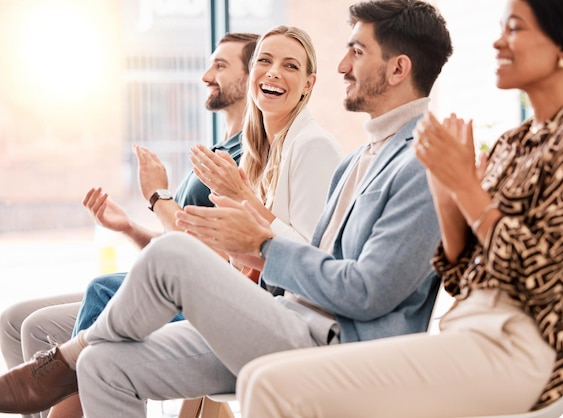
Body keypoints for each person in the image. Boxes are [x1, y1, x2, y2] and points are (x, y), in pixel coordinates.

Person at [0, 3, 452, 416]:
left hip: (336, 344)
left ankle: (62, 362)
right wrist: (248, 248)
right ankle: (75, 359)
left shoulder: (422, 162)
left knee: (170, 258)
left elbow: (367, 292)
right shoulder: (359, 157)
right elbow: (319, 261)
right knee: (103, 365)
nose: (342, 65)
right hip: (288, 319)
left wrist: (259, 242)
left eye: (356, 51)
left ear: (397, 68)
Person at [234, 0, 563, 417]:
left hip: (526, 353)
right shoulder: (514, 143)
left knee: (275, 386)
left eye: (513, 29)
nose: (497, 42)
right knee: (262, 378)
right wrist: (446, 195)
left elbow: (543, 276)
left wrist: (466, 189)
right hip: (469, 331)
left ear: (561, 47)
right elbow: (462, 277)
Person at [0, 32, 259, 418]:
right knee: (13, 318)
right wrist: (129, 229)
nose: (206, 75)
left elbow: (209, 255)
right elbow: (176, 249)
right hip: (170, 284)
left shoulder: (246, 157)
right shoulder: (216, 151)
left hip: (199, 299)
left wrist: (158, 198)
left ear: (254, 77)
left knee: (54, 317)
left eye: (220, 65)